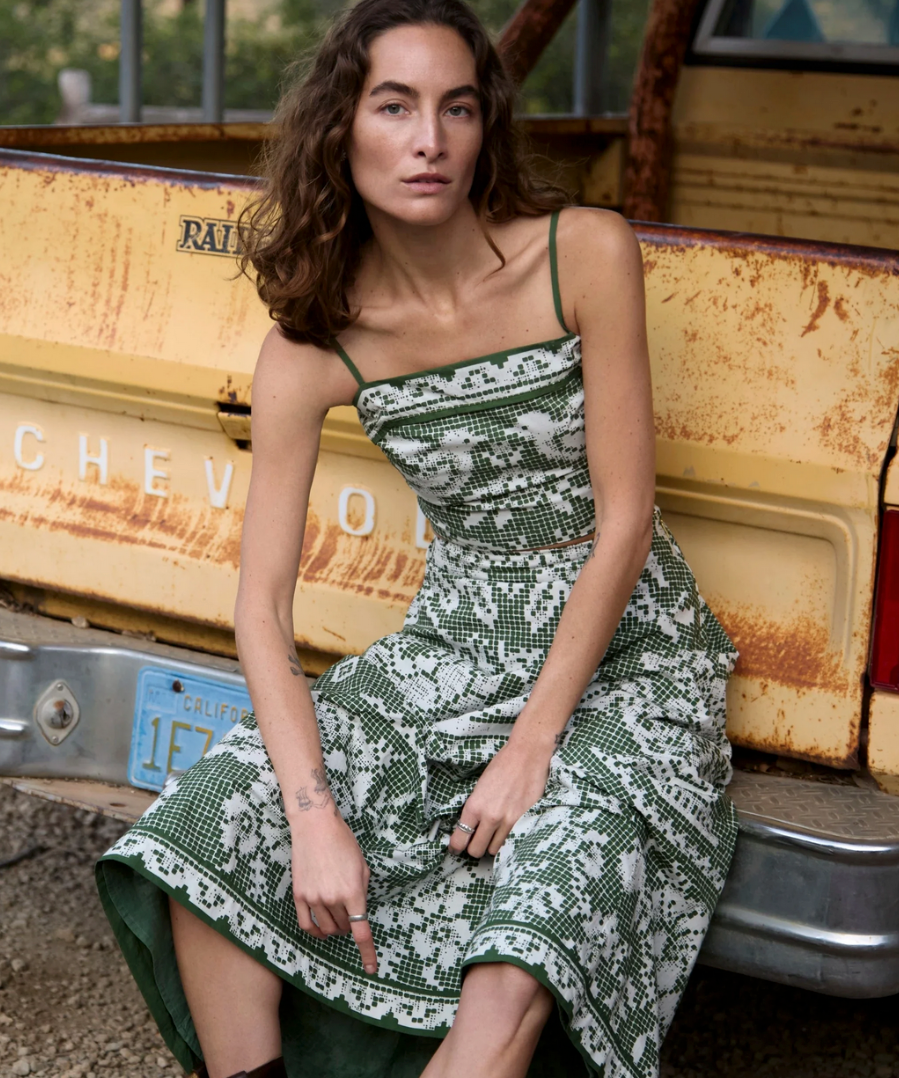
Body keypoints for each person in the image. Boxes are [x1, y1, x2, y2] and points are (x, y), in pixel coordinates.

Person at [96, 2, 738, 1076]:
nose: (429, 140)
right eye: (394, 107)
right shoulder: (315, 342)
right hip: (454, 652)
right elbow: (260, 609)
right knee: (207, 832)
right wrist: (311, 819)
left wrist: (533, 746)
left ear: (487, 128)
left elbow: (625, 518)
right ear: (341, 129)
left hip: (631, 658)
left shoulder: (580, 252)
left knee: (517, 961)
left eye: (457, 108)